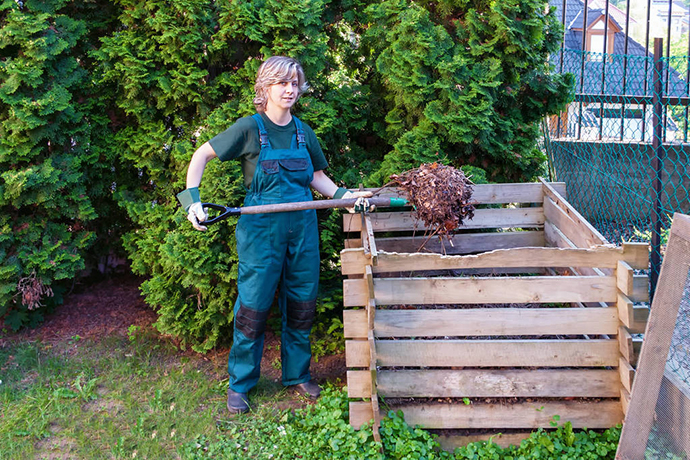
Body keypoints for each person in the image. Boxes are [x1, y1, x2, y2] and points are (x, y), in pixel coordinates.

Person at [176, 56, 371, 414]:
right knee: (252, 307)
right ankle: (241, 384)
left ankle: (297, 374)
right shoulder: (250, 129)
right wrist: (193, 202)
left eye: (295, 84)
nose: (290, 90)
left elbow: (316, 178)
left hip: (302, 229)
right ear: (264, 88)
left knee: (301, 303)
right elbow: (200, 155)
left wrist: (345, 198)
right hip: (261, 231)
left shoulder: (303, 132)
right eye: (282, 83)